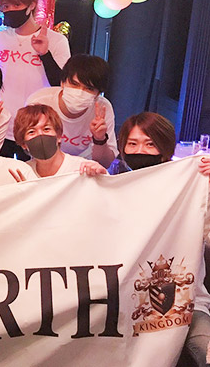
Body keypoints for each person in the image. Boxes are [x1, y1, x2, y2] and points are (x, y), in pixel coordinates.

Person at [109, 112, 210, 367]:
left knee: (205, 349)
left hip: (186, 304)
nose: (140, 151)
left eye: (150, 144)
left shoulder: (190, 189)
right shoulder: (113, 190)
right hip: (123, 305)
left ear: (165, 148)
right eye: (132, 143)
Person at [0, 0, 70, 160]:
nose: (10, 10)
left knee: (36, 172)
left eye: (17, 4)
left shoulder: (56, 40)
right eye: (5, 6)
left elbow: (62, 85)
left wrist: (45, 54)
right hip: (2, 123)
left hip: (37, 125)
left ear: (31, 5)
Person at [27, 54, 117, 168]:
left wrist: (99, 139)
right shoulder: (40, 102)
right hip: (45, 165)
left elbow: (105, 163)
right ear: (62, 82)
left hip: (85, 169)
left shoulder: (102, 109)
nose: (80, 92)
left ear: (98, 93)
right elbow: (29, 147)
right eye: (74, 84)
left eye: (89, 88)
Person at [13, 104, 108, 177]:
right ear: (23, 144)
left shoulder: (82, 169)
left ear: (59, 136)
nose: (40, 135)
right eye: (31, 132)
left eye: (46, 129)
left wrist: (101, 177)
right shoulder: (22, 173)